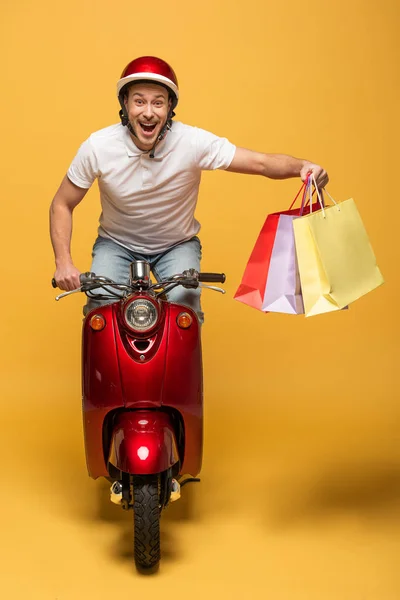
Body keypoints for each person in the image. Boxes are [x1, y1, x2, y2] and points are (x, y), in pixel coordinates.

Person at [50, 56, 329, 323]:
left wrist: (302, 166)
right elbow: (62, 203)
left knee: (185, 310)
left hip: (176, 245)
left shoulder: (192, 142)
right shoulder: (98, 147)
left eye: (158, 102)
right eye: (139, 101)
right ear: (125, 104)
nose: (148, 112)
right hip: (117, 244)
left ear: (170, 106)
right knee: (100, 305)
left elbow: (261, 162)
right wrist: (64, 262)